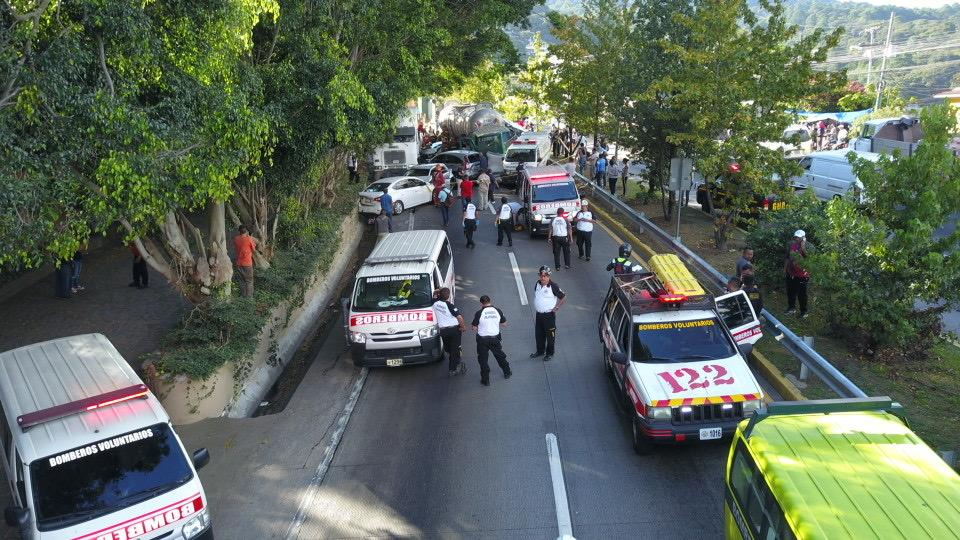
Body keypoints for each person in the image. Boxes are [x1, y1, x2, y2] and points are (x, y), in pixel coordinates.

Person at [471, 295, 511, 386]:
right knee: (500, 356)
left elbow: (474, 328)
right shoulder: (498, 311)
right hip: (495, 339)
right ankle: (507, 372)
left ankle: (485, 380)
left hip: (482, 340)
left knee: (483, 360)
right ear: (490, 301)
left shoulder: (479, 313)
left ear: (481, 303)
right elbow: (504, 324)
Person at [531, 266, 565, 361]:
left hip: (549, 316)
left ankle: (550, 353)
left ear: (549, 276)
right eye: (541, 275)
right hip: (539, 315)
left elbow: (563, 297)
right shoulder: (537, 284)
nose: (542, 277)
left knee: (550, 336)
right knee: (539, 334)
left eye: (545, 276)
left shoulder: (553, 286)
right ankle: (540, 351)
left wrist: (556, 307)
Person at [433, 287, 467, 376]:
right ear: (448, 296)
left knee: (448, 348)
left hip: (443, 331)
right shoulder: (450, 305)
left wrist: (438, 291)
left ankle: (456, 358)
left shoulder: (434, 302)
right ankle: (452, 369)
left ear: (439, 295)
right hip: (454, 330)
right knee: (454, 349)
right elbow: (459, 317)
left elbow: (435, 294)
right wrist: (463, 327)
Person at [785, 229, 810, 318]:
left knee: (802, 294)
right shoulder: (793, 245)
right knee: (791, 292)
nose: (797, 239)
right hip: (792, 273)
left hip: (802, 275)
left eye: (799, 237)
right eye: (796, 237)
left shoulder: (809, 246)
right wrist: (786, 269)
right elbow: (788, 257)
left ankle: (804, 312)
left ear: (803, 238)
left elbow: (810, 259)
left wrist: (803, 248)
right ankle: (791, 308)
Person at [234, 225, 257, 297]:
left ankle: (243, 296)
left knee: (242, 281)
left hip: (239, 263)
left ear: (239, 231)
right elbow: (254, 249)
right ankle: (249, 299)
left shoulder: (236, 239)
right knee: (249, 281)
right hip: (247, 264)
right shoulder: (249, 239)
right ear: (246, 231)